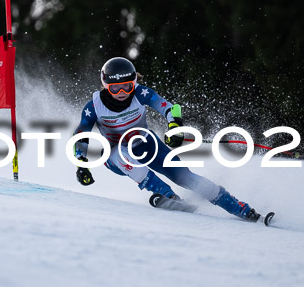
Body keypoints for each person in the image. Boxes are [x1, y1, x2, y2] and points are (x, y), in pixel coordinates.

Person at [72, 56, 262, 222]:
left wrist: (175, 127)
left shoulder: (140, 93)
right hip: (115, 154)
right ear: (106, 86)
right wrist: (81, 164)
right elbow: (80, 135)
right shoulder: (94, 107)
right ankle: (167, 194)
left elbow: (171, 108)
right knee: (122, 155)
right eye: (115, 89)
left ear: (133, 83)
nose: (122, 93)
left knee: (186, 177)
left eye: (127, 87)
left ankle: (240, 208)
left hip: (145, 144)